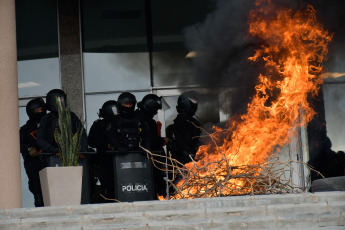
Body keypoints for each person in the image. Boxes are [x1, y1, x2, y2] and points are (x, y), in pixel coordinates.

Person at [37, 89, 88, 157]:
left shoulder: (71, 116)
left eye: (62, 99)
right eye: (58, 100)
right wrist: (53, 149)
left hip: (72, 156)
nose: (60, 102)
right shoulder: (46, 119)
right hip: (52, 156)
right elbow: (40, 140)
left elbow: (82, 133)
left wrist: (83, 149)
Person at [136, 94, 169, 197]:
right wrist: (162, 140)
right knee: (156, 186)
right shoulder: (145, 120)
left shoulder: (142, 118)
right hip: (148, 160)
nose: (156, 112)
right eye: (155, 109)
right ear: (150, 107)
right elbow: (148, 139)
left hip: (148, 159)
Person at [88, 100, 119, 202]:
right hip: (104, 161)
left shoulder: (121, 123)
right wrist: (106, 145)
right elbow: (92, 142)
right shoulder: (99, 125)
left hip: (120, 159)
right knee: (107, 186)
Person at [19, 98, 47, 207]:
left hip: (49, 161)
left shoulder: (50, 125)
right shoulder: (25, 130)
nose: (40, 112)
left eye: (42, 109)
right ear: (31, 112)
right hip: (33, 163)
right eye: (37, 110)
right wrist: (29, 149)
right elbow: (18, 145)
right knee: (38, 192)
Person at [168, 91, 201, 165]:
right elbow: (190, 141)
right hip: (187, 159)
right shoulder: (186, 121)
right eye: (194, 102)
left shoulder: (180, 120)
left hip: (184, 159)